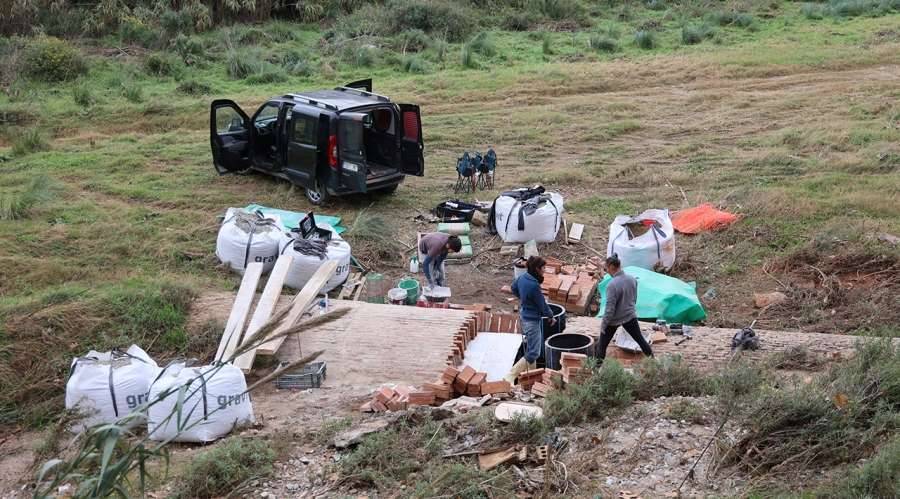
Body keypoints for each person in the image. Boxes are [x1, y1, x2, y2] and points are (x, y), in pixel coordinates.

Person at [505, 256, 556, 383]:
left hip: (524, 316)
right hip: (532, 321)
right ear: (537, 269)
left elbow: (513, 288)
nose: (545, 270)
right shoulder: (533, 285)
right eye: (543, 268)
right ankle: (510, 376)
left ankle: (531, 379)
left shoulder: (523, 277)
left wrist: (523, 298)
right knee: (534, 353)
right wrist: (550, 315)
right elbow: (542, 305)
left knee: (531, 349)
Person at [595, 254, 653, 360]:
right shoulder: (632, 279)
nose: (607, 271)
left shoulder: (612, 285)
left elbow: (609, 309)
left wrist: (604, 325)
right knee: (640, 340)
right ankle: (653, 361)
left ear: (611, 267)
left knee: (602, 346)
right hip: (630, 316)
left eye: (606, 268)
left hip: (613, 320)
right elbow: (634, 299)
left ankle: (596, 368)